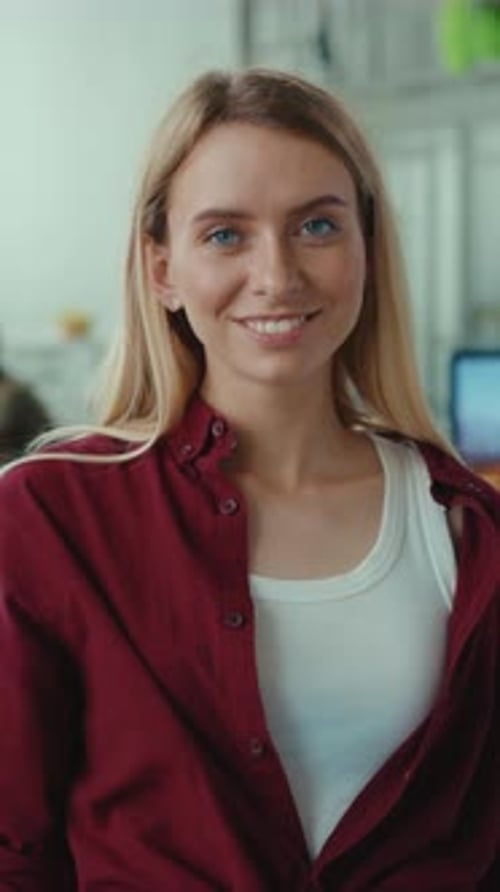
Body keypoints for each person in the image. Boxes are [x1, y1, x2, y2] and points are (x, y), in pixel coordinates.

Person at [0, 68, 499, 892]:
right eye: (225, 235)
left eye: (316, 225)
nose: (277, 275)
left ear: (366, 247)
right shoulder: (47, 518)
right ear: (162, 269)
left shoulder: (467, 530)